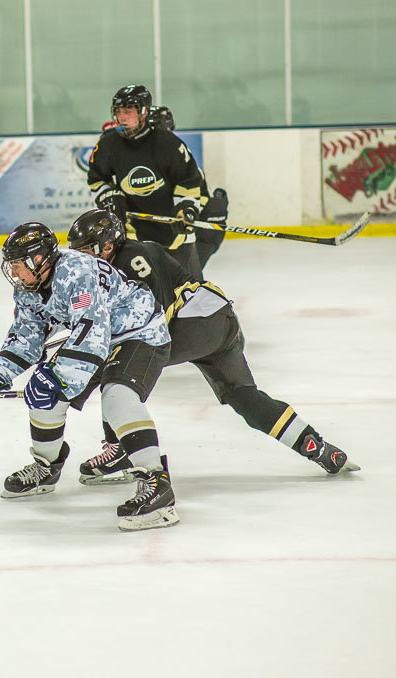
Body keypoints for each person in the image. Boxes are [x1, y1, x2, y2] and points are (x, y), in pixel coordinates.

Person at [66, 209, 358, 482]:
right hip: (217, 322)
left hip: (193, 324)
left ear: (108, 245)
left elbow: (154, 317)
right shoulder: (115, 263)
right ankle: (320, 449)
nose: (81, 259)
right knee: (244, 397)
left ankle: (120, 449)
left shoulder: (132, 258)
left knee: (115, 366)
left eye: (86, 250)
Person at [0, 221, 178, 532]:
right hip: (99, 336)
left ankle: (158, 484)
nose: (15, 273)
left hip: (140, 333)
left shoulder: (78, 272)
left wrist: (55, 378)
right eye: (12, 265)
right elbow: (26, 337)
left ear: (39, 259)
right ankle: (47, 467)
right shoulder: (28, 287)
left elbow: (93, 335)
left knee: (116, 395)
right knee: (45, 396)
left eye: (19, 264)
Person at [87, 85, 205, 279]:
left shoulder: (168, 143)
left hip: (176, 236)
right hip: (133, 237)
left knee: (191, 298)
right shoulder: (108, 144)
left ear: (144, 112)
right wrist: (107, 195)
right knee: (142, 300)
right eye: (118, 111)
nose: (121, 117)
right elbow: (96, 178)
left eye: (128, 111)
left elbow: (189, 179)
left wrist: (186, 207)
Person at [147, 105, 228, 270]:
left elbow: (195, 200)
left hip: (202, 230)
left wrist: (185, 213)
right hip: (183, 232)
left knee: (186, 283)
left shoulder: (177, 156)